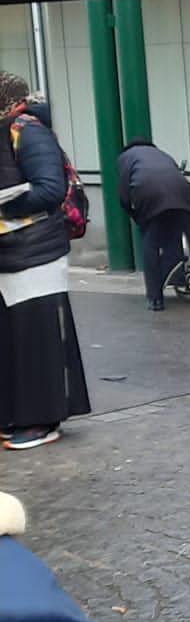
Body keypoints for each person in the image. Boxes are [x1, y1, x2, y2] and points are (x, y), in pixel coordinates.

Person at [0, 72, 90, 451]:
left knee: (38, 338)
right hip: (12, 249)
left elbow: (50, 189)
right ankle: (17, 415)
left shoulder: (27, 130)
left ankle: (42, 420)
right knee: (15, 338)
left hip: (35, 249)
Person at [116, 138, 190, 311]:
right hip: (181, 192)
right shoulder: (163, 154)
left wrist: (137, 216)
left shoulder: (125, 157)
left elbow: (123, 194)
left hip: (148, 194)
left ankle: (155, 299)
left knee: (150, 245)